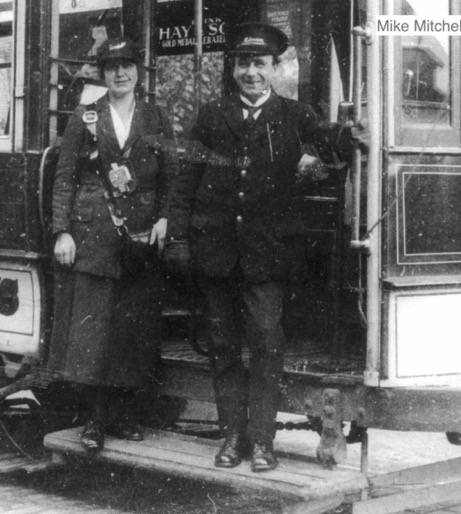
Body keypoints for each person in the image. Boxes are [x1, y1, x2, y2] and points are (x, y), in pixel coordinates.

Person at [169, 22, 334, 472]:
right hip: (217, 253)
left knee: (266, 344)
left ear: (275, 68)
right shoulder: (210, 116)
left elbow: (329, 165)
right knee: (222, 346)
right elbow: (186, 181)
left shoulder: (298, 117)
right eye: (243, 63)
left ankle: (262, 442)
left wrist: (315, 165)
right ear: (234, 68)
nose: (251, 72)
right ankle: (231, 438)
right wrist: (181, 240)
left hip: (267, 256)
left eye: (260, 64)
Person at [49, 37, 179, 451]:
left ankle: (122, 416)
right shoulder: (86, 116)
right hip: (93, 236)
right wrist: (62, 231)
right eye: (111, 67)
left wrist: (163, 218)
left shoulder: (156, 116)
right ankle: (94, 420)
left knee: (131, 327)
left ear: (138, 71)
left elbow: (170, 175)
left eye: (126, 65)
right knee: (94, 329)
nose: (119, 73)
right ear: (102, 74)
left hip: (139, 236)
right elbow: (65, 174)